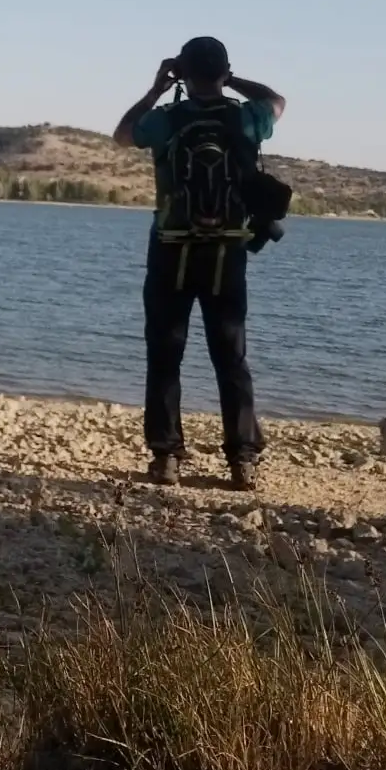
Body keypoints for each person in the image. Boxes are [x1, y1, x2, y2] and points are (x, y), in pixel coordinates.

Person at [114, 36, 286, 491]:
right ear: (223, 71)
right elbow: (277, 101)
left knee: (164, 355)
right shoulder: (245, 117)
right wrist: (233, 80)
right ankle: (242, 461)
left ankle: (166, 458)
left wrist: (157, 88)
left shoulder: (166, 119)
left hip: (171, 249)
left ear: (183, 73)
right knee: (231, 358)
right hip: (226, 252)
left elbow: (122, 134)